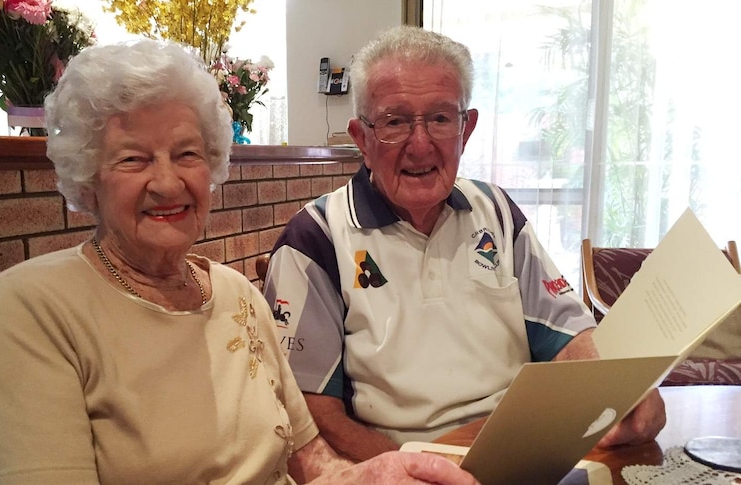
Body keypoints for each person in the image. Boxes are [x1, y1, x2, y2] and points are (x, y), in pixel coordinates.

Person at [0, 39, 479, 485]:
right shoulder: (28, 309)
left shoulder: (234, 293)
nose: (168, 183)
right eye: (133, 159)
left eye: (187, 154)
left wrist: (371, 473)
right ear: (86, 179)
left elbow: (312, 461)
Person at [262, 25, 666, 462]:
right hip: (400, 461)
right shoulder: (314, 237)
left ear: (466, 128)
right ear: (362, 138)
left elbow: (569, 336)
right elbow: (312, 410)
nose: (421, 146)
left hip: (521, 451)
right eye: (395, 122)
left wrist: (620, 387)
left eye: (440, 118)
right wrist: (413, 469)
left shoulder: (497, 210)